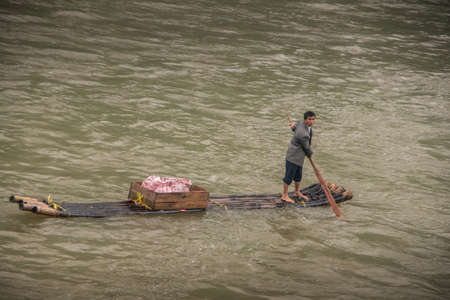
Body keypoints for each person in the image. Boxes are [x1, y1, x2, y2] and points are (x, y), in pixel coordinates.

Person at [281, 111, 316, 203]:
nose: (311, 121)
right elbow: (306, 147)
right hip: (293, 157)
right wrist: (310, 155)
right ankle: (284, 195)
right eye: (309, 119)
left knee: (298, 176)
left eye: (313, 119)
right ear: (305, 120)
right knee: (288, 177)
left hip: (299, 157)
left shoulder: (301, 123)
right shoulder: (303, 134)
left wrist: (293, 126)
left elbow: (295, 128)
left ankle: (297, 192)